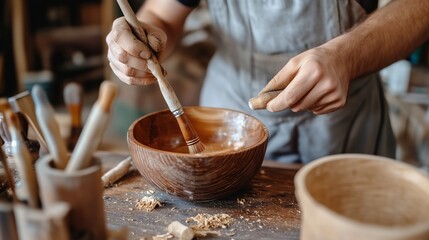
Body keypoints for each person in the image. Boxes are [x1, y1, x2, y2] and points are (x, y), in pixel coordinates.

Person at [106, 0, 429, 163]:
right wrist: (140, 40)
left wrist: (347, 56)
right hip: (232, 112)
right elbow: (162, 16)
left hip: (343, 121)